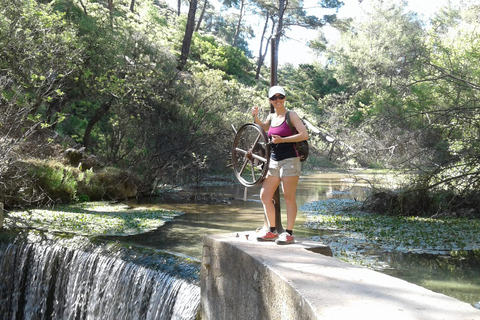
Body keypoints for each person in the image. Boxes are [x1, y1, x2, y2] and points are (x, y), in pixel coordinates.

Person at [251, 85, 308, 244]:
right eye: (274, 98)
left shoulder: (292, 115)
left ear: (284, 98)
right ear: (270, 100)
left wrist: (283, 140)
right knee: (265, 195)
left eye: (280, 97)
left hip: (290, 159)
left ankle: (288, 233)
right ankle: (272, 230)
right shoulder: (271, 117)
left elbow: (304, 135)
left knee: (289, 197)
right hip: (273, 161)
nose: (277, 100)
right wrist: (255, 116)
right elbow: (263, 127)